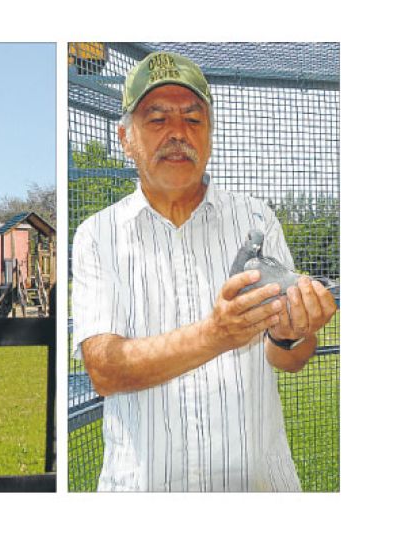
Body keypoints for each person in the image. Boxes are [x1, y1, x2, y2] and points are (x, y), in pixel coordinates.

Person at [71, 51, 338, 492]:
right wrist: (217, 334)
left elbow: (288, 359)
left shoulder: (257, 220)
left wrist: (293, 332)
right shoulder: (96, 235)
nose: (178, 133)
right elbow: (105, 370)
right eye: (157, 120)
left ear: (210, 133)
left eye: (193, 120)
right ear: (125, 137)